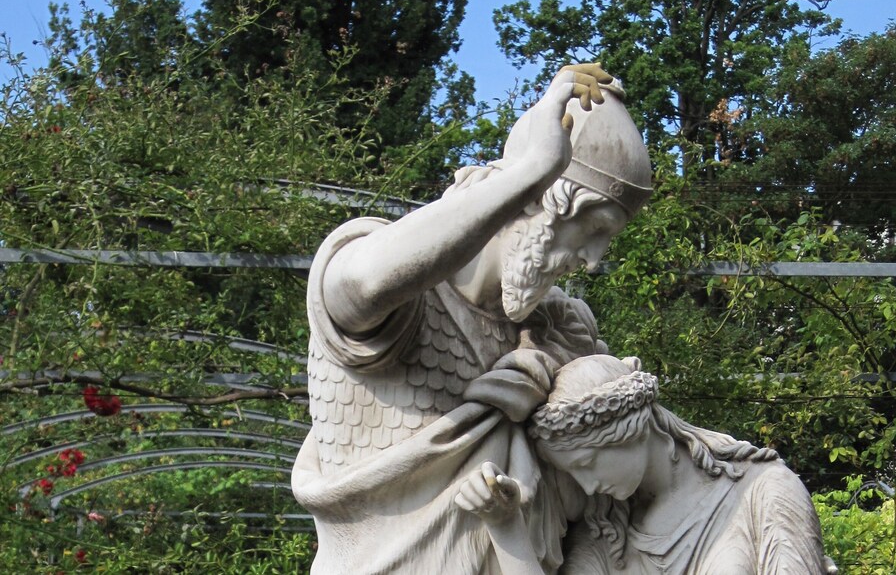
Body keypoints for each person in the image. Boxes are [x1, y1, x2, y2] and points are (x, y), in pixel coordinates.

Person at [291, 64, 654, 574]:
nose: (593, 259)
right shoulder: (403, 300)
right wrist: (534, 167)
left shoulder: (557, 329)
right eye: (594, 227)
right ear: (536, 200)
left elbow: (637, 465)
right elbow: (362, 285)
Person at [457, 354, 834, 574]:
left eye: (588, 463)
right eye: (574, 474)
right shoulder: (606, 531)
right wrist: (505, 524)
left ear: (629, 429)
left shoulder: (765, 492)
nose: (587, 487)